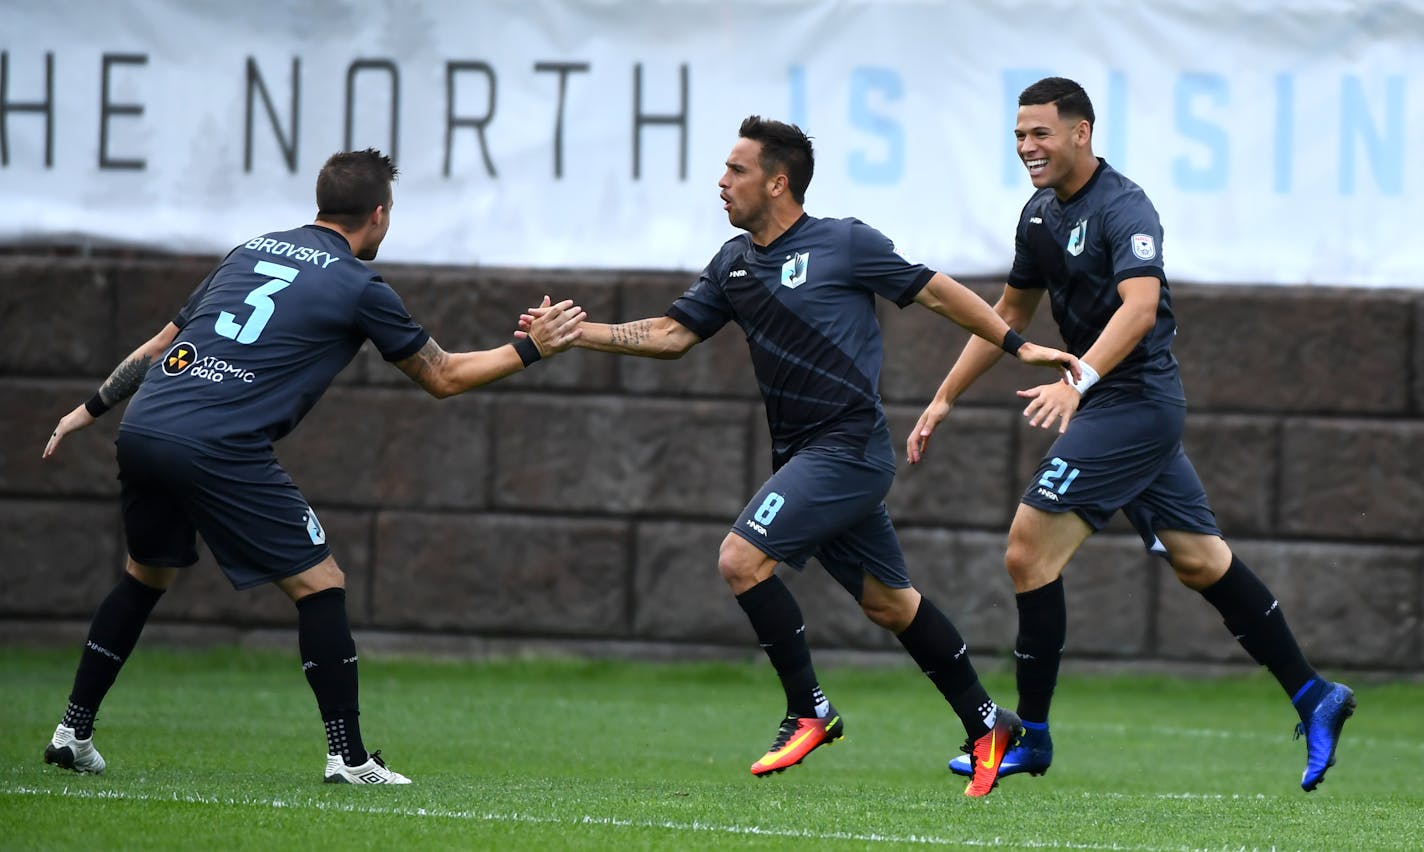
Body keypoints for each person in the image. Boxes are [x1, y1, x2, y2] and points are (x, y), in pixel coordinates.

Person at [522, 115, 1080, 797]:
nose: (722, 182)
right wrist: (575, 333)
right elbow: (671, 335)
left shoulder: (844, 243)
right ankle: (987, 721)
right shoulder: (733, 263)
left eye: (737, 170)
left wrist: (1018, 345)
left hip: (847, 449)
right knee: (889, 603)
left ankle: (806, 709)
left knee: (740, 559)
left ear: (777, 182)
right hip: (807, 454)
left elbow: (935, 290)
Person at [40, 148, 585, 785]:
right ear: (379, 215)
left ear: (322, 202)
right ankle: (349, 757)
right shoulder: (359, 284)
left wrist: (91, 406)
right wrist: (531, 347)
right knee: (320, 582)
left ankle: (72, 731)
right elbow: (443, 376)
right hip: (216, 442)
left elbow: (163, 344)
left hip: (147, 425)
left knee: (146, 575)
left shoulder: (251, 249)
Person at [909, 77, 1354, 792]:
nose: (1027, 147)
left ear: (1081, 132)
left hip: (1134, 404)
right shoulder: (1038, 215)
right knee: (1201, 562)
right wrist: (941, 397)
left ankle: (1031, 737)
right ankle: (1314, 694)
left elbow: (1140, 309)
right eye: (1020, 134)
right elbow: (1006, 316)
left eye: (1040, 133)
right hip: (1114, 407)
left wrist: (1077, 381)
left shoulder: (1124, 206)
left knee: (1028, 551)